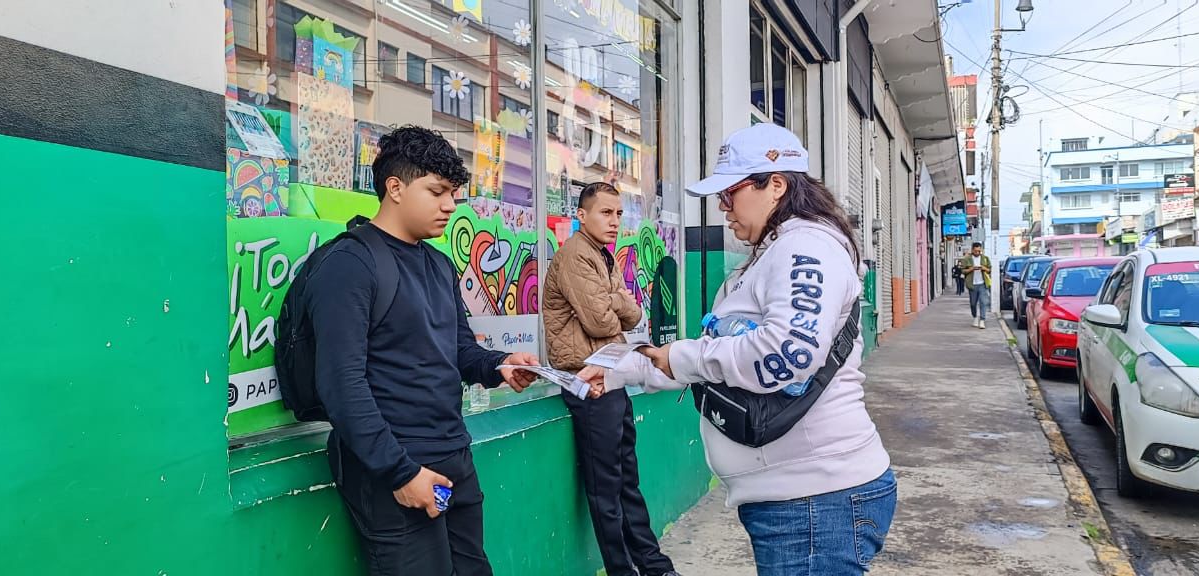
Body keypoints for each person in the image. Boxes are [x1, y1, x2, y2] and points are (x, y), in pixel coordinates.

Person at [582, 124, 896, 576]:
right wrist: (619, 373)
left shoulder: (805, 246)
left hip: (815, 504)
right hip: (796, 504)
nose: (723, 209)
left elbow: (790, 352)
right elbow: (716, 356)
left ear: (777, 186)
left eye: (730, 194)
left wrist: (685, 358)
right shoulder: (771, 254)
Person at [306, 126, 540, 576]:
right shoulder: (350, 265)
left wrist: (499, 365)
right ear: (394, 187)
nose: (450, 205)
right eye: (437, 192)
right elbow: (340, 383)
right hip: (395, 467)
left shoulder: (437, 263)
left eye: (453, 193)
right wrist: (399, 473)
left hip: (453, 456)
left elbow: (457, 349)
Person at [541, 182, 680, 576]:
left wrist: (614, 301)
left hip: (612, 378)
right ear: (581, 215)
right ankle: (622, 570)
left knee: (627, 484)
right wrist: (615, 302)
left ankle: (654, 566)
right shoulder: (575, 257)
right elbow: (601, 320)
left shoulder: (604, 257)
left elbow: (634, 315)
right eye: (606, 212)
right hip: (586, 383)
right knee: (606, 491)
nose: (615, 221)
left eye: (618, 213)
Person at [960, 242, 992, 329]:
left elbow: (990, 269)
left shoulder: (985, 259)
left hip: (982, 283)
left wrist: (984, 268)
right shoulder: (967, 259)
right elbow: (963, 271)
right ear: (972, 250)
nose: (977, 253)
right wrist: (971, 269)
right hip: (972, 284)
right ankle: (975, 317)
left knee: (983, 302)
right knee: (973, 303)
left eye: (979, 251)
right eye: (975, 251)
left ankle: (982, 320)